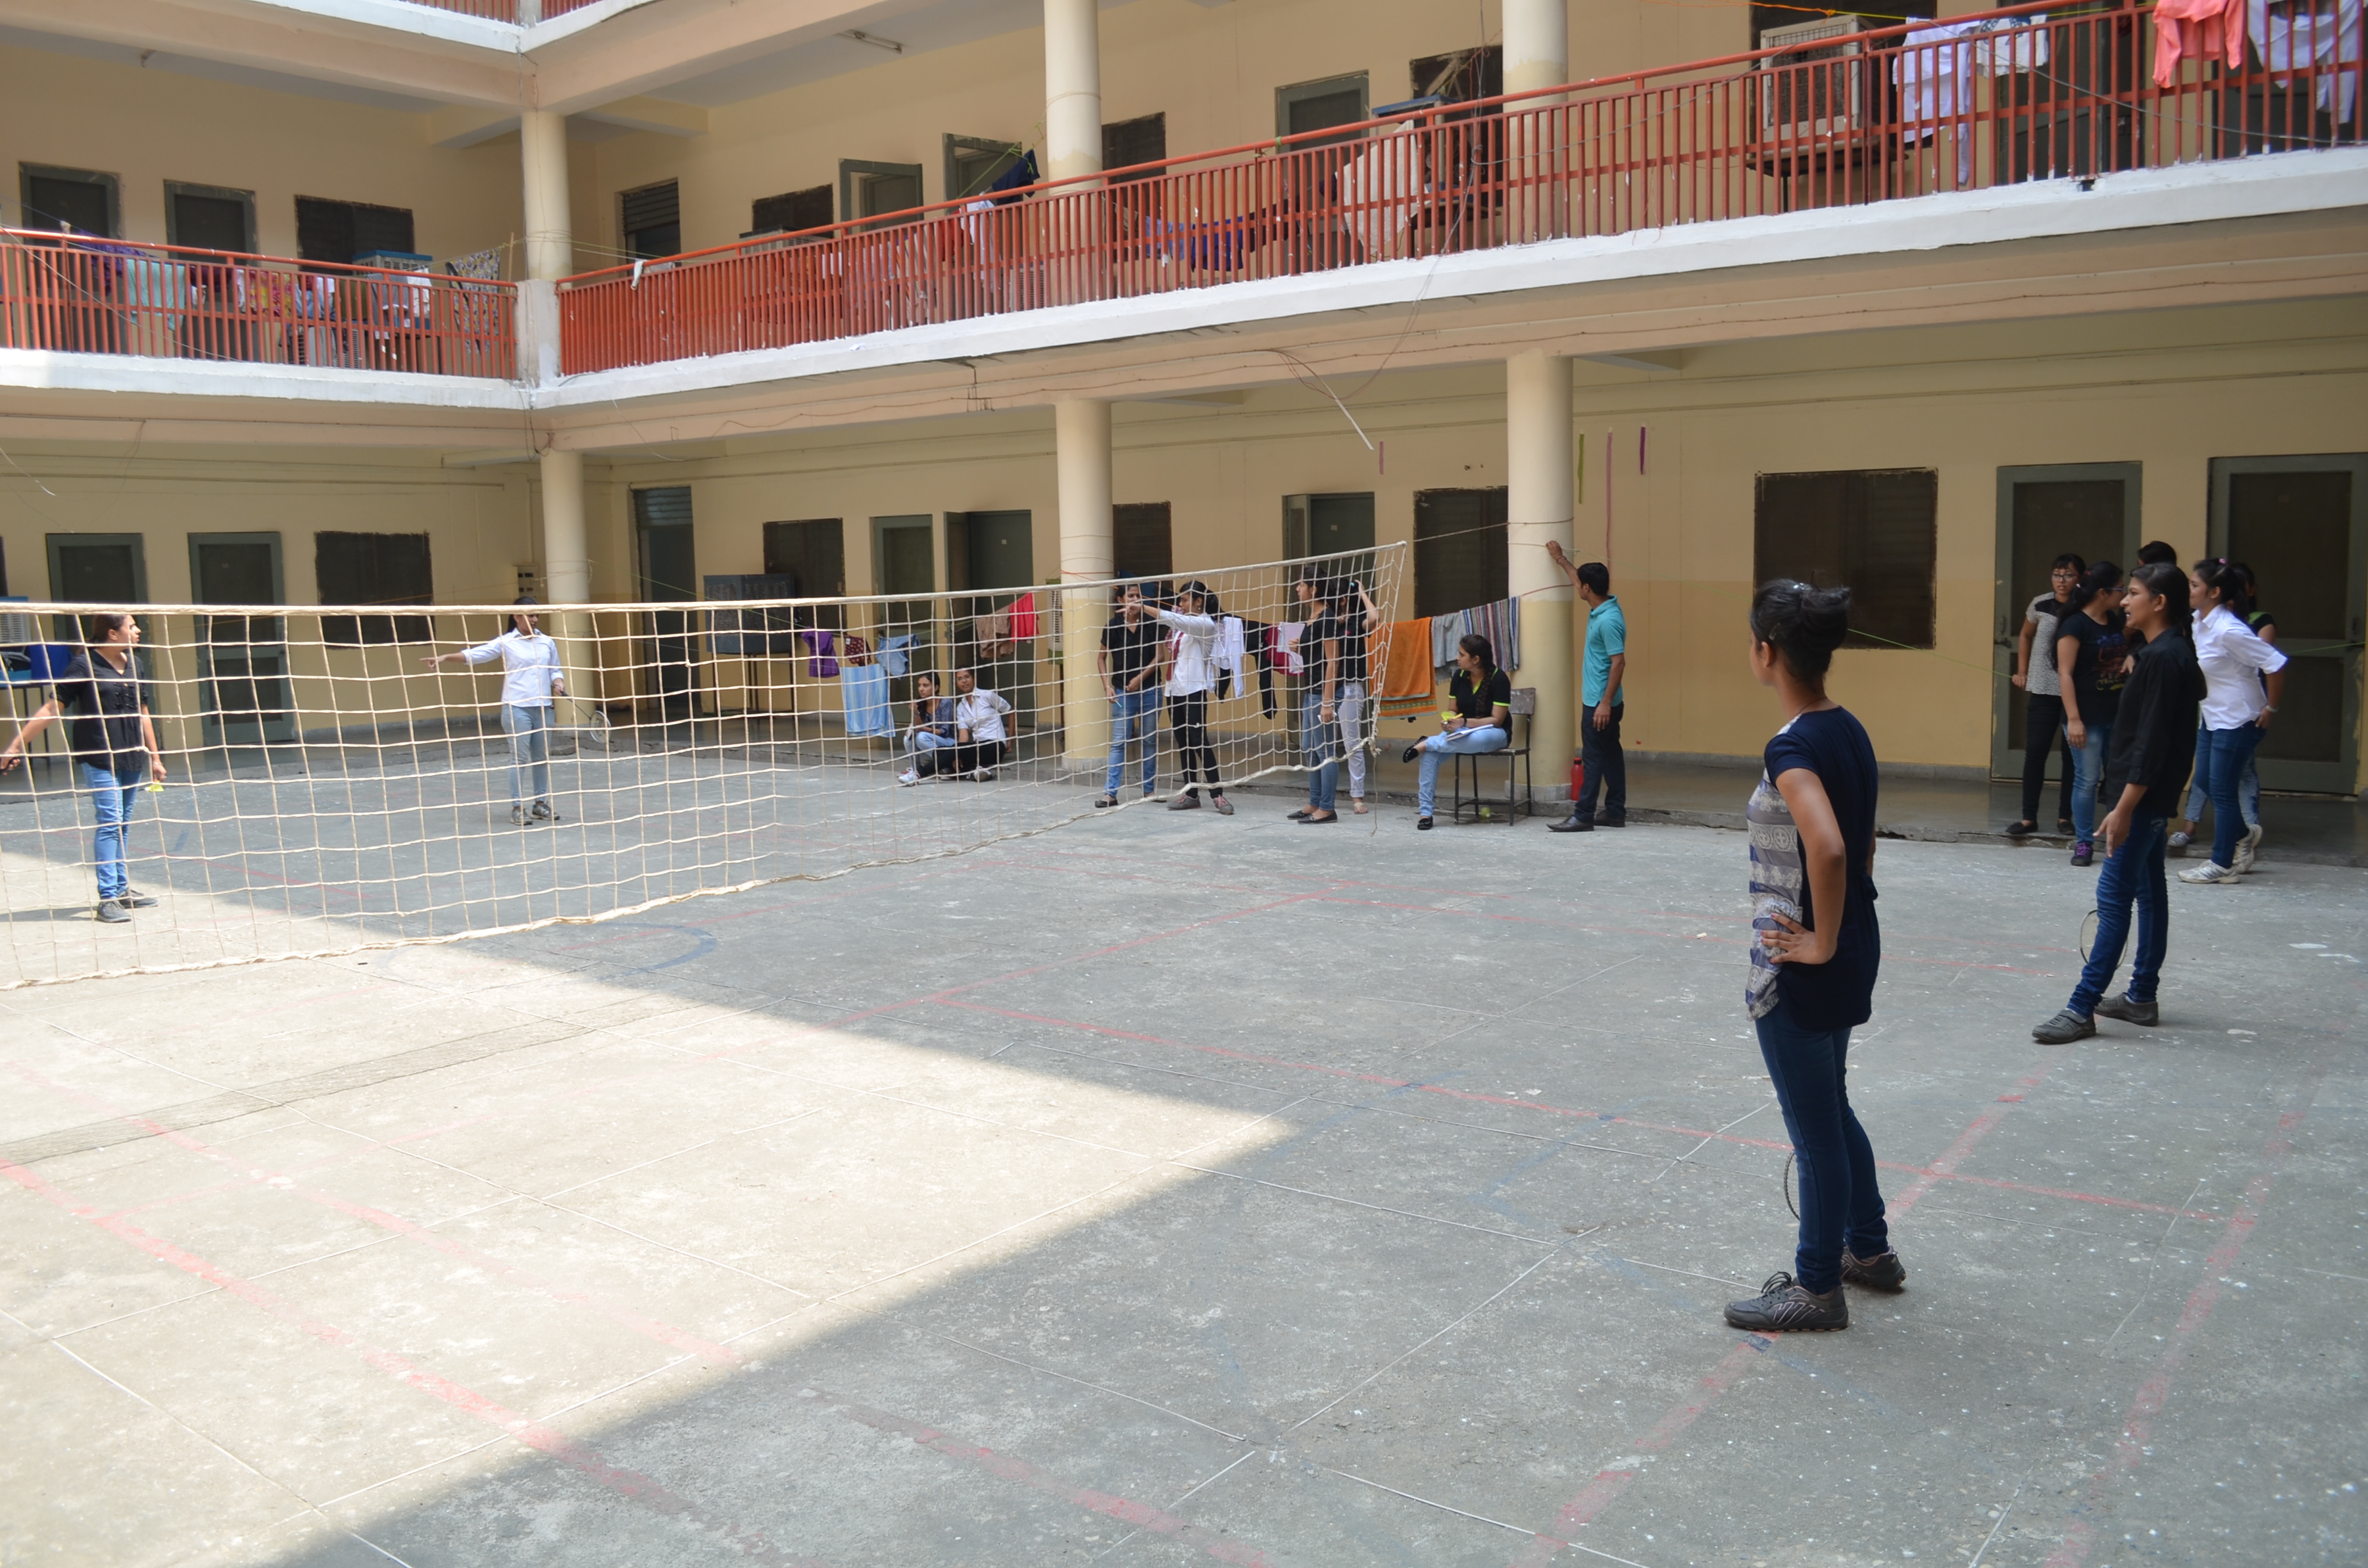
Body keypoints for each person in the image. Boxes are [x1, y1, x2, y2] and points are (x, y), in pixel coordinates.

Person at [1725, 580, 1895, 1334]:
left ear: (1767, 653)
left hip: (1804, 962)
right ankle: (1870, 1248)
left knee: (1814, 1130)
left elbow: (1828, 847)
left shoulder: (1791, 745)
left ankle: (1818, 1286)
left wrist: (1819, 940)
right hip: (1853, 940)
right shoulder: (1847, 727)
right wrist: (1843, 925)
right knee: (1833, 1105)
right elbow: (1862, 841)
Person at [2032, 564, 2207, 1042]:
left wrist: (2125, 808)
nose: (2124, 602)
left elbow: (2151, 744)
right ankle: (2141, 996)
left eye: (2133, 594)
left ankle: (2081, 1007)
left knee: (2113, 903)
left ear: (2159, 603)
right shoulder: (2162, 652)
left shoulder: (2165, 658)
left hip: (2143, 798)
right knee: (2149, 895)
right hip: (2147, 795)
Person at [0, 612, 167, 923]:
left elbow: (143, 711)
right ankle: (108, 898)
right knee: (110, 822)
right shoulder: (83, 665)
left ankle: (121, 890)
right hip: (99, 755)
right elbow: (52, 708)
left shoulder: (136, 664)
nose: (138, 631)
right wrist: (16, 745)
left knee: (122, 824)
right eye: (132, 626)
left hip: (132, 754)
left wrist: (155, 757)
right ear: (113, 633)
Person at [2177, 557, 2286, 885]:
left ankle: (2222, 863)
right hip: (2213, 715)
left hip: (2238, 719)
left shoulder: (2229, 629)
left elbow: (2275, 664)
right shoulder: (2198, 620)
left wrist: (2271, 707)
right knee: (2205, 781)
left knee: (2223, 790)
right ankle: (2243, 834)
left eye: (2195, 585)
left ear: (2215, 592)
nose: (2189, 590)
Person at [422, 596, 568, 826]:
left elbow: (555, 670)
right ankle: (517, 808)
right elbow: (476, 655)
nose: (535, 619)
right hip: (517, 709)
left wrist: (558, 682)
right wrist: (445, 657)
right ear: (517, 617)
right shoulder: (506, 642)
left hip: (544, 709)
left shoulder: (547, 642)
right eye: (530, 615)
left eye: (537, 615)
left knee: (541, 758)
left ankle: (540, 805)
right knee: (519, 759)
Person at [1547, 542, 1625, 833]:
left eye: (1581, 584)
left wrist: (1604, 704)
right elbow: (1577, 578)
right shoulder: (1601, 607)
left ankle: (1583, 815)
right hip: (1603, 700)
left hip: (1600, 702)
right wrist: (1560, 559)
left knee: (1593, 758)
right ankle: (1615, 812)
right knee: (1611, 756)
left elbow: (1619, 663)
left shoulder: (1609, 621)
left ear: (1588, 588)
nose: (1578, 586)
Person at [2055, 561, 2128, 867]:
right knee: (2086, 780)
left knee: (2118, 779)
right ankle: (2084, 842)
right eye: (2119, 589)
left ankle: (2117, 838)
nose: (2124, 595)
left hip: (2116, 714)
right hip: (2086, 717)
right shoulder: (2075, 625)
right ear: (2102, 593)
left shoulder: (2114, 621)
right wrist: (2074, 719)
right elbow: (2065, 674)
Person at [1401, 633, 1510, 831]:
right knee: (1430, 756)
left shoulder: (1499, 678)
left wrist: (1465, 722)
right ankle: (1425, 813)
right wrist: (1449, 720)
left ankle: (1426, 742)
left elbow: (1497, 720)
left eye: (1461, 654)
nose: (1457, 658)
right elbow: (1453, 709)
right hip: (1462, 732)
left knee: (1476, 740)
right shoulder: (1459, 677)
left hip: (1494, 733)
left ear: (1475, 660)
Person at [2007, 554, 2083, 838]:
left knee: (2071, 758)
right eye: (2056, 575)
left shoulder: (2084, 606)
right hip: (2042, 690)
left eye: (2068, 575)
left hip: (2074, 693)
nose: (2061, 581)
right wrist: (2022, 671)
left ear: (2080, 579)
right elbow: (2025, 635)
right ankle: (2029, 818)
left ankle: (2065, 817)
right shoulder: (2040, 604)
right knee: (2036, 753)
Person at [1156, 582, 1232, 815]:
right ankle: (1191, 794)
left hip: (1194, 691)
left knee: (1199, 740)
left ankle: (1217, 794)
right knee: (1183, 742)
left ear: (1199, 601)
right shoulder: (1181, 627)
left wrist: (1143, 605)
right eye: (1180, 600)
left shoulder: (1206, 624)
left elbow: (1172, 618)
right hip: (1174, 690)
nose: (1181, 604)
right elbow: (1172, 624)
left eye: (1185, 600)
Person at [1095, 582, 1163, 808]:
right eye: (1131, 596)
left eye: (1138, 596)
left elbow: (1160, 657)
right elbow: (1101, 659)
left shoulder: (1151, 622)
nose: (1135, 600)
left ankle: (1149, 790)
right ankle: (1110, 794)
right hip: (1123, 694)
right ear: (1120, 600)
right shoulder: (1113, 626)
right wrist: (1107, 686)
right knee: (1119, 743)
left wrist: (1140, 678)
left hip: (1151, 691)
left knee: (1149, 741)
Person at [1288, 576, 1346, 824]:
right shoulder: (1312, 618)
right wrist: (1300, 648)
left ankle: (1327, 808)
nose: (1297, 588)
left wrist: (1327, 701)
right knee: (1308, 747)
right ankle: (1314, 802)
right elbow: (1317, 655)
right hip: (1311, 690)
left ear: (1314, 589)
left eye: (1301, 585)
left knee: (1325, 750)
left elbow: (1333, 661)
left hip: (1325, 693)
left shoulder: (1328, 618)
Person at [916, 667, 1012, 780]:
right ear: (957, 683)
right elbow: (963, 735)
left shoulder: (987, 696)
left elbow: (1011, 712)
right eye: (960, 679)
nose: (964, 681)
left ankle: (920, 774)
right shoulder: (961, 707)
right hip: (977, 747)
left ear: (974, 678)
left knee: (953, 751)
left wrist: (1010, 742)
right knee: (940, 752)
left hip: (995, 746)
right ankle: (976, 771)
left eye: (967, 677)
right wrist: (957, 754)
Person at [896, 671, 958, 786]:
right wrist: (916, 713)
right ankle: (915, 769)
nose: (921, 689)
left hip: (949, 741)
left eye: (926, 686)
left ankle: (947, 767)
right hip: (931, 739)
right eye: (919, 685)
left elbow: (945, 732)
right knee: (908, 738)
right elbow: (919, 726)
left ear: (936, 688)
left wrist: (924, 729)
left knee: (921, 737)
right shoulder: (921, 703)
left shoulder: (946, 703)